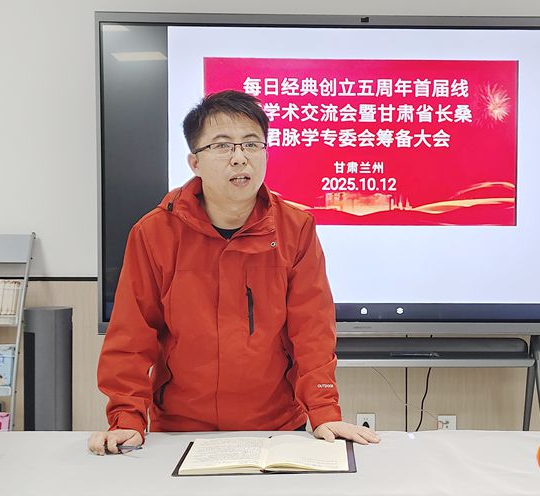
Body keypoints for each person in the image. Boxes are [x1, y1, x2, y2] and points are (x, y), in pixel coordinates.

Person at [88, 90, 379, 455]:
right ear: (194, 162)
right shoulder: (154, 232)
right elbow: (132, 335)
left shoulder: (295, 229)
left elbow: (312, 330)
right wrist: (126, 419)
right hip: (179, 430)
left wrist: (323, 411)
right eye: (223, 146)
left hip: (276, 429)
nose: (240, 158)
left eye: (252, 144)